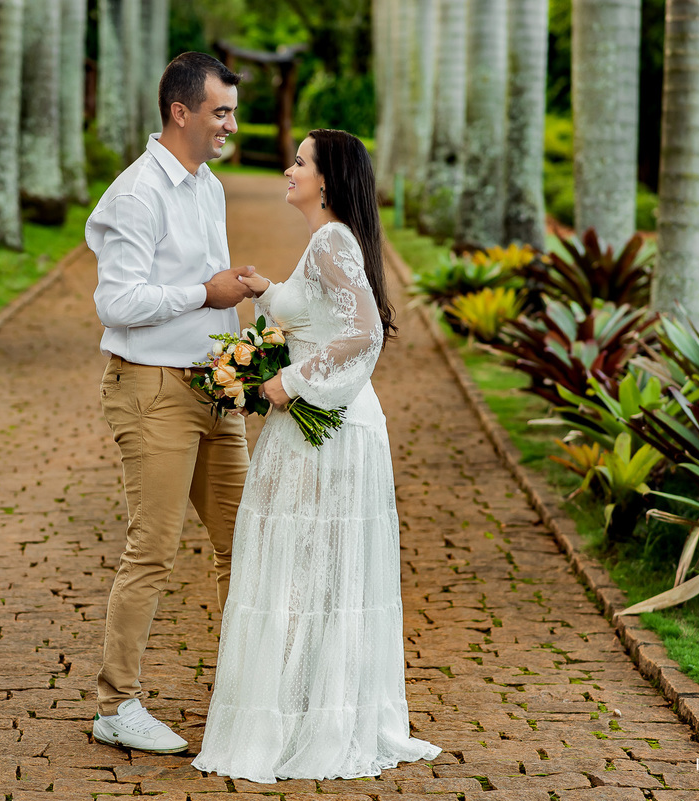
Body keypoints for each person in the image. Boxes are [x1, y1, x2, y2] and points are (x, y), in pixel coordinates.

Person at [191, 129, 443, 782]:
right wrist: (268, 289)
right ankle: (309, 709)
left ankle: (313, 718)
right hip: (322, 427)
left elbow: (362, 332)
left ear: (327, 179)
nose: (288, 167)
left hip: (326, 426)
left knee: (308, 565)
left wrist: (292, 382)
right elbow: (326, 318)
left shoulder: (332, 241)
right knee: (309, 566)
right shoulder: (327, 244)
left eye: (299, 161)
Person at [86, 52, 254, 755]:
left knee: (245, 544)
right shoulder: (137, 194)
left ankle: (250, 686)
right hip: (152, 390)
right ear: (181, 112)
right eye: (220, 111)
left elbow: (211, 283)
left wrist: (241, 352)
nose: (230, 124)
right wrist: (204, 294)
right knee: (152, 550)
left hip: (216, 387)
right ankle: (115, 703)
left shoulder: (207, 185)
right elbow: (115, 301)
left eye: (233, 112)